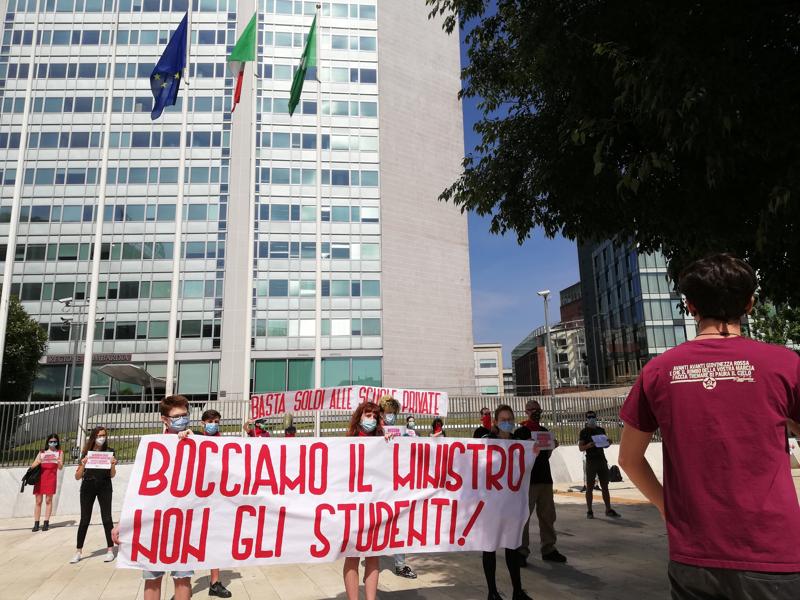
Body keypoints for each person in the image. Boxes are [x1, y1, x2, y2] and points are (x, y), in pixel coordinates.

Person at [618, 253, 800, 599]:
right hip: (774, 551)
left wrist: (666, 507)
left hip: (694, 553)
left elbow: (628, 459)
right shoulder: (785, 364)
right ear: (749, 304)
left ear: (690, 306)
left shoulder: (658, 371)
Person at [132, 395, 194, 600]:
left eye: (185, 415)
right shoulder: (152, 446)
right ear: (164, 419)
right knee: (152, 578)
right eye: (177, 417)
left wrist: (194, 442)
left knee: (183, 578)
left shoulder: (197, 442)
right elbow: (138, 487)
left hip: (184, 521)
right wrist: (124, 522)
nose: (182, 420)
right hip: (155, 522)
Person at [474, 405, 533, 600]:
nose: (507, 422)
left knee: (512, 547)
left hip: (511, 505)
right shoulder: (487, 441)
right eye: (503, 419)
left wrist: (533, 450)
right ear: (496, 422)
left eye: (510, 419)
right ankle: (492, 592)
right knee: (489, 548)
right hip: (491, 505)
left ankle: (517, 591)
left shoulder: (519, 443)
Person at [343, 401, 385, 600]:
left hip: (375, 505)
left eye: (374, 416)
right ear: (359, 416)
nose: (371, 419)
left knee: (373, 555)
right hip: (353, 507)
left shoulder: (383, 440)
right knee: (352, 555)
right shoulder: (346, 442)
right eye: (368, 415)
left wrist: (391, 442)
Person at [516, 400, 566, 564]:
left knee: (548, 516)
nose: (536, 412)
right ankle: (521, 550)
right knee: (524, 517)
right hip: (528, 481)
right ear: (526, 411)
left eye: (538, 410)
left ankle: (549, 548)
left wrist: (552, 445)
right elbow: (517, 455)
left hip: (545, 479)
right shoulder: (521, 432)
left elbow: (547, 455)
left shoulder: (544, 431)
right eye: (532, 410)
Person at [379, 395, 418, 579]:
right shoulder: (375, 433)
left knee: (399, 523)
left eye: (394, 413)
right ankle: (371, 565)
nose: (391, 416)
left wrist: (411, 437)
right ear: (381, 413)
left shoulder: (403, 432)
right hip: (379, 486)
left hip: (398, 484)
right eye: (388, 413)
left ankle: (400, 564)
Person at [198, 410, 232, 598]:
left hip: (216, 498)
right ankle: (182, 585)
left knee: (214, 539)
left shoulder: (223, 442)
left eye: (216, 421)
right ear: (203, 423)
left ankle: (215, 582)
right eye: (210, 421)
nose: (213, 424)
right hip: (194, 497)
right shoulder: (193, 439)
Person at [70, 426, 117, 564]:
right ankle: (78, 551)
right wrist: (83, 464)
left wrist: (112, 465)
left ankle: (110, 550)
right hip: (88, 486)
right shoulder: (86, 453)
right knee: (85, 519)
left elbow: (112, 475)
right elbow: (77, 476)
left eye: (104, 435)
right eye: (99, 435)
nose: (102, 438)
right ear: (94, 437)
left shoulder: (109, 452)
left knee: (107, 518)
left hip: (105, 486)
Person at [578, 411, 620, 519]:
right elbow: (581, 448)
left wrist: (608, 442)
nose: (592, 419)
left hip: (601, 460)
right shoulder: (584, 432)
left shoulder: (600, 430)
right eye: (589, 417)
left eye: (593, 417)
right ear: (586, 419)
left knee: (605, 486)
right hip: (591, 461)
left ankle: (608, 509)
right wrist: (588, 445)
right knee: (590, 487)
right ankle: (589, 511)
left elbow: (604, 445)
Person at [31, 433, 64, 532]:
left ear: (57, 442)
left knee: (48, 500)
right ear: (48, 442)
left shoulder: (59, 452)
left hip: (51, 478)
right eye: (51, 441)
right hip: (40, 478)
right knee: (38, 501)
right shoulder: (42, 452)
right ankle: (36, 523)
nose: (53, 443)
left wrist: (59, 462)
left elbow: (60, 467)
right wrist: (39, 461)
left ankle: (46, 522)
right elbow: (33, 465)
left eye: (55, 441)